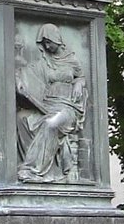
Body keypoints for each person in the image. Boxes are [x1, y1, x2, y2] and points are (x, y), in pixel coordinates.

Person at [15, 24, 87, 183]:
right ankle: (47, 169)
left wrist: (78, 84)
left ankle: (34, 169)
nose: (47, 46)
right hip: (47, 105)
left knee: (51, 124)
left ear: (57, 39)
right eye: (44, 42)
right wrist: (19, 79)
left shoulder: (71, 59)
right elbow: (30, 74)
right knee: (21, 119)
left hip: (68, 107)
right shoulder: (44, 62)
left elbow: (81, 77)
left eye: (49, 42)